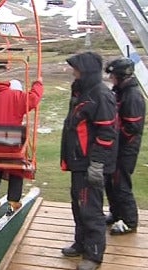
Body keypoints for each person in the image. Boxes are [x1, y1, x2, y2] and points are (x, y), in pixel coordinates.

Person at [60, 52, 118, 270]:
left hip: (90, 163)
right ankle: (81, 243)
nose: (72, 71)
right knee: (78, 204)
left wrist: (96, 164)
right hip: (78, 160)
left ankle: (94, 255)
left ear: (86, 71)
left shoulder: (100, 95)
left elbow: (107, 133)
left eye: (76, 68)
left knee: (90, 209)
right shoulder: (82, 91)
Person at [0, 78, 43, 215]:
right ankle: (13, 201)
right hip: (10, 146)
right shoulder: (16, 96)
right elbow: (33, 99)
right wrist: (37, 84)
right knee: (16, 165)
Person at [104, 57, 146, 235]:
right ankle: (116, 213)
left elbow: (132, 127)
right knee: (110, 182)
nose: (110, 78)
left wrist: (115, 139)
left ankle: (129, 221)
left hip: (125, 149)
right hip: (116, 147)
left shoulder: (132, 96)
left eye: (113, 75)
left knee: (121, 184)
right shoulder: (120, 91)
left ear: (121, 75)